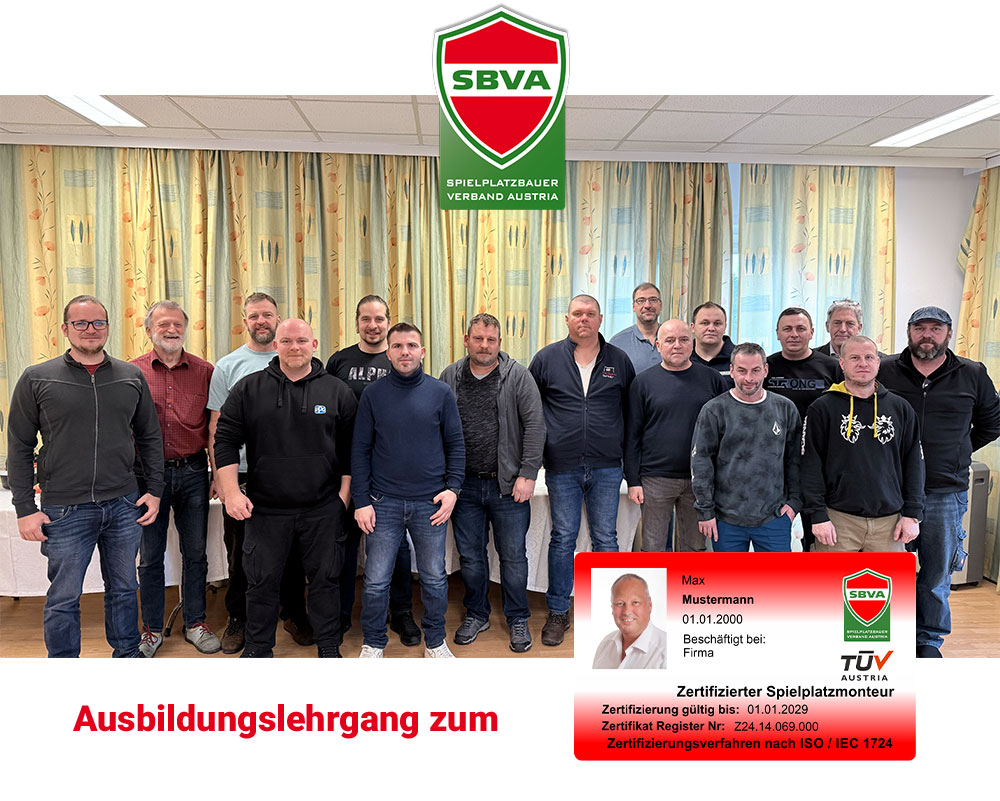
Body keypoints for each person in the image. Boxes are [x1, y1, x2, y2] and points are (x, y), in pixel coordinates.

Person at [7, 295, 164, 658]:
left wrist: (155, 489)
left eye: (98, 323)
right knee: (64, 597)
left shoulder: (130, 376)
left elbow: (150, 437)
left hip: (123, 504)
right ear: (65, 329)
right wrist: (25, 508)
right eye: (81, 323)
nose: (90, 330)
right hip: (64, 509)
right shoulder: (37, 377)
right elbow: (19, 446)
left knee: (124, 589)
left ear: (108, 327)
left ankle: (127, 656)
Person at [214, 319, 357, 658]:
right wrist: (231, 493)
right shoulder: (248, 389)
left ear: (314, 344)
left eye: (302, 341)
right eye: (287, 341)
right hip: (265, 509)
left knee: (325, 582)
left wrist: (343, 499)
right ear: (275, 345)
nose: (295, 347)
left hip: (322, 508)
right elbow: (225, 441)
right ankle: (258, 649)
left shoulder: (337, 391)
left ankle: (328, 647)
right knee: (260, 583)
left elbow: (352, 450)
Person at [879, 306, 1000, 658]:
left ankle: (929, 641)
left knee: (935, 575)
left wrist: (960, 449)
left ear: (948, 333)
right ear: (908, 332)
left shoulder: (972, 373)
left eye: (936, 328)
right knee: (891, 571)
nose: (927, 335)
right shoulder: (885, 369)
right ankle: (893, 636)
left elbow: (992, 423)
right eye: (920, 328)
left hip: (945, 490)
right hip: (893, 490)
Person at [352, 322, 465, 658]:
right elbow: (360, 449)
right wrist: (361, 500)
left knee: (434, 578)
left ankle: (435, 642)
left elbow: (455, 444)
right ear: (388, 352)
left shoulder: (440, 393)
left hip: (430, 503)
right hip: (382, 502)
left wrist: (453, 489)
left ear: (422, 351)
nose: (405, 352)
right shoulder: (373, 395)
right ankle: (373, 643)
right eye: (398, 346)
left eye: (411, 345)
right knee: (376, 580)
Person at [529, 294, 635, 646]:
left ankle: (609, 614)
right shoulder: (546, 359)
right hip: (562, 466)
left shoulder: (619, 360)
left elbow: (631, 413)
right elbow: (531, 411)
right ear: (567, 319)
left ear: (600, 319)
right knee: (563, 538)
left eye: (590, 313)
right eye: (577, 313)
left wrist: (628, 463)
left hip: (607, 466)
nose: (584, 319)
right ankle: (559, 611)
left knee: (606, 539)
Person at [207, 292, 309, 653]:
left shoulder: (298, 360)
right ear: (245, 321)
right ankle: (239, 617)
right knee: (241, 554)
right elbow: (216, 426)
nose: (261, 321)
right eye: (254, 316)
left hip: (290, 476)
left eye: (267, 315)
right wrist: (221, 478)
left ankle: (293, 612)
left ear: (278, 320)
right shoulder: (228, 366)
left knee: (293, 552)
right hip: (243, 475)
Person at [440, 313, 545, 653]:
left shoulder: (518, 376)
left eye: (491, 340)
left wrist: (527, 474)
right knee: (471, 557)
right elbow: (438, 427)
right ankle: (477, 613)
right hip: (464, 487)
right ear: (466, 340)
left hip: (508, 486)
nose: (484, 345)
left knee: (513, 557)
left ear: (500, 342)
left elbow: (536, 426)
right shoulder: (450, 377)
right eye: (478, 338)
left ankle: (517, 617)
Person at [325, 295, 419, 647]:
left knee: (397, 549)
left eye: (379, 319)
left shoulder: (399, 356)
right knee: (345, 545)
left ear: (388, 322)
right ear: (356, 323)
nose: (373, 325)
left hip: (391, 473)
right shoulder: (339, 361)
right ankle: (341, 614)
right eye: (366, 318)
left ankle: (402, 612)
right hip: (347, 469)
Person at [131, 300, 220, 657]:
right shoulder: (131, 372)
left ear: (185, 329)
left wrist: (217, 474)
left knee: (195, 553)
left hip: (194, 473)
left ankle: (195, 622)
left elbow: (215, 429)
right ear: (148, 329)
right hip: (145, 477)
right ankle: (151, 629)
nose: (171, 330)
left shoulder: (205, 371)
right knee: (150, 555)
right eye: (163, 324)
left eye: (177, 324)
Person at [800, 336, 924, 553]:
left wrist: (912, 514)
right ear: (842, 363)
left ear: (878, 362)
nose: (863, 363)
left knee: (889, 578)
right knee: (828, 578)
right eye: (854, 358)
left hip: (889, 523)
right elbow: (810, 465)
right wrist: (817, 515)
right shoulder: (822, 408)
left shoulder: (901, 408)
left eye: (868, 357)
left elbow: (914, 463)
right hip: (837, 521)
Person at [624, 319, 729, 552]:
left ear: (692, 343)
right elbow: (631, 435)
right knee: (653, 549)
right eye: (670, 340)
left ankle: (688, 579)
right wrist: (633, 480)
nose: (677, 345)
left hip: (700, 479)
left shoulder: (712, 379)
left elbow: (725, 431)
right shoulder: (642, 383)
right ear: (658, 345)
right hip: (655, 478)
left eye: (683, 340)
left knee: (695, 548)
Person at [691, 342, 802, 553]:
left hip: (775, 517)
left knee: (780, 575)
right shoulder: (714, 410)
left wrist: (794, 503)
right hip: (726, 519)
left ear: (766, 370)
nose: (749, 378)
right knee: (731, 576)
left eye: (755, 370)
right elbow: (701, 462)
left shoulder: (785, 408)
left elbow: (795, 460)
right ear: (731, 370)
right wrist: (705, 511)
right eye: (742, 371)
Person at [765, 306, 841, 551]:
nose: (794, 334)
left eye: (800, 328)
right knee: (773, 535)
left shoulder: (832, 367)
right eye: (787, 329)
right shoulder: (766, 367)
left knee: (817, 534)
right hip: (776, 463)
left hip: (819, 463)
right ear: (777, 333)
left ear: (812, 332)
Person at [592, 573, 666, 669]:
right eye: (620, 603)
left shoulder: (665, 653)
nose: (627, 612)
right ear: (612, 607)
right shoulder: (605, 644)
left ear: (650, 605)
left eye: (635, 603)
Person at [608, 282, 663, 373]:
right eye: (641, 300)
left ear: (660, 305)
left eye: (653, 300)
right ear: (633, 307)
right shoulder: (618, 342)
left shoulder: (675, 339)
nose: (647, 305)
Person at [689, 301, 735, 386]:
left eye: (717, 323)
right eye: (705, 323)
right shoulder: (682, 357)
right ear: (693, 327)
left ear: (725, 327)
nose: (711, 328)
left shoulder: (739, 358)